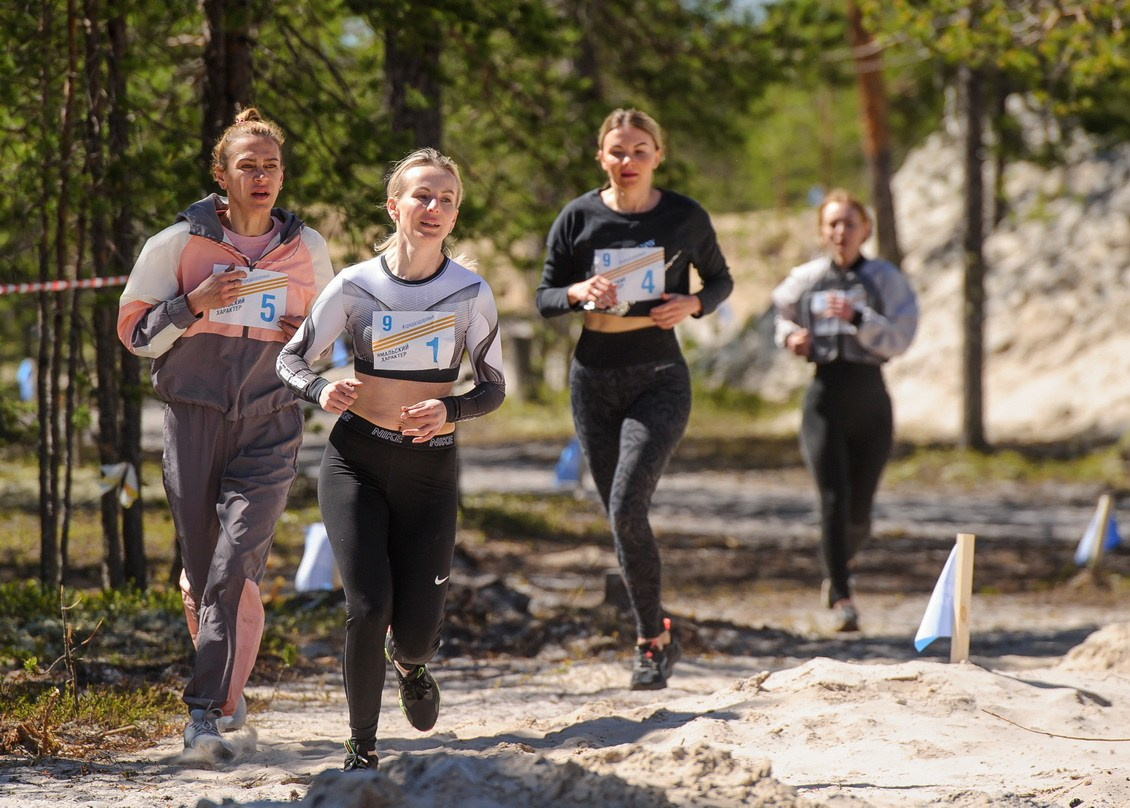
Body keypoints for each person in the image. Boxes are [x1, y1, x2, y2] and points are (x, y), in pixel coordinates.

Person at [277, 148, 505, 772]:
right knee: (367, 606)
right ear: (394, 205)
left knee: (414, 629)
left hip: (429, 471)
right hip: (356, 460)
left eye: (446, 201)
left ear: (455, 216)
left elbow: (492, 387)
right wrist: (321, 389)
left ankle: (412, 665)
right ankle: (362, 745)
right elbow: (291, 359)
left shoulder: (469, 292)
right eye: (422, 197)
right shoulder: (355, 286)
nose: (433, 209)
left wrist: (449, 410)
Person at [117, 108, 335, 758]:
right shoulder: (177, 244)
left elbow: (318, 336)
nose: (262, 175)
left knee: (236, 560)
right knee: (202, 566)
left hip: (270, 422)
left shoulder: (307, 250)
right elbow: (134, 335)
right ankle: (231, 691)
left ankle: (204, 711)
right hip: (193, 417)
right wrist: (193, 305)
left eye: (271, 165)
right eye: (248, 165)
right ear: (222, 174)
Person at [535, 108, 734, 691]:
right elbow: (544, 296)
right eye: (617, 152)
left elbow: (719, 280)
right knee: (619, 517)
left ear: (657, 156)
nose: (628, 162)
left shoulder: (682, 216)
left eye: (639, 151)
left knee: (626, 507)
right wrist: (576, 292)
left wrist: (693, 305)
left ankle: (651, 641)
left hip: (659, 376)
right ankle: (655, 631)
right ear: (602, 155)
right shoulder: (578, 217)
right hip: (593, 377)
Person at [771, 189, 918, 632]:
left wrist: (859, 319)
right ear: (821, 231)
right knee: (832, 498)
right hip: (824, 396)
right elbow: (779, 316)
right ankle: (841, 595)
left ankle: (842, 560)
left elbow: (903, 335)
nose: (841, 232)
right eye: (832, 224)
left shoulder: (884, 278)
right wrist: (789, 337)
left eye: (849, 223)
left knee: (861, 507)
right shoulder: (808, 277)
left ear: (865, 229)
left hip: (870, 395)